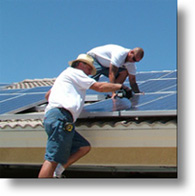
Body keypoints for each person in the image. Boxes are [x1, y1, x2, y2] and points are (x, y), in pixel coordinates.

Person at [38, 54, 132, 178]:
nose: (89, 73)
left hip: (58, 118)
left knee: (83, 147)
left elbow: (47, 96)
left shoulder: (64, 77)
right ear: (81, 64)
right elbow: (98, 87)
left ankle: (57, 172)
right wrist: (121, 86)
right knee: (52, 158)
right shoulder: (75, 72)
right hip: (61, 117)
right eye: (89, 69)